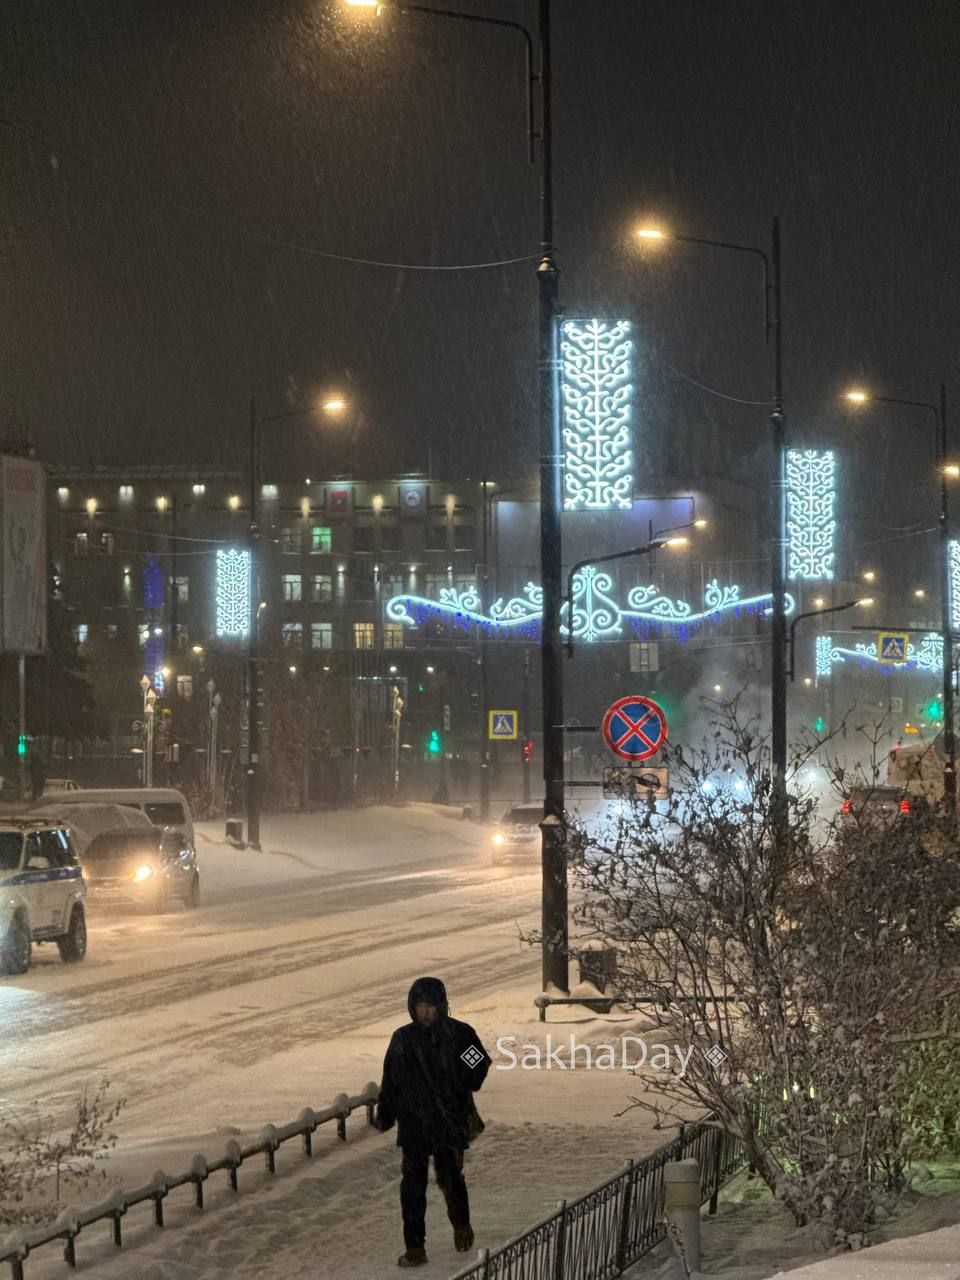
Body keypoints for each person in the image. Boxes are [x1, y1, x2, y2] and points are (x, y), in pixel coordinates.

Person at [375, 976, 491, 1268]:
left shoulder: (460, 1034)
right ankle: (415, 1248)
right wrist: (386, 1113)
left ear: (441, 1006)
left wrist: (462, 1082)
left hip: (447, 1122)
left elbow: (479, 1064)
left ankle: (461, 1226)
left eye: (430, 1006)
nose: (425, 1012)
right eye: (419, 1006)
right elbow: (391, 1080)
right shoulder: (402, 1038)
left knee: (451, 1179)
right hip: (413, 1124)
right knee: (412, 1188)